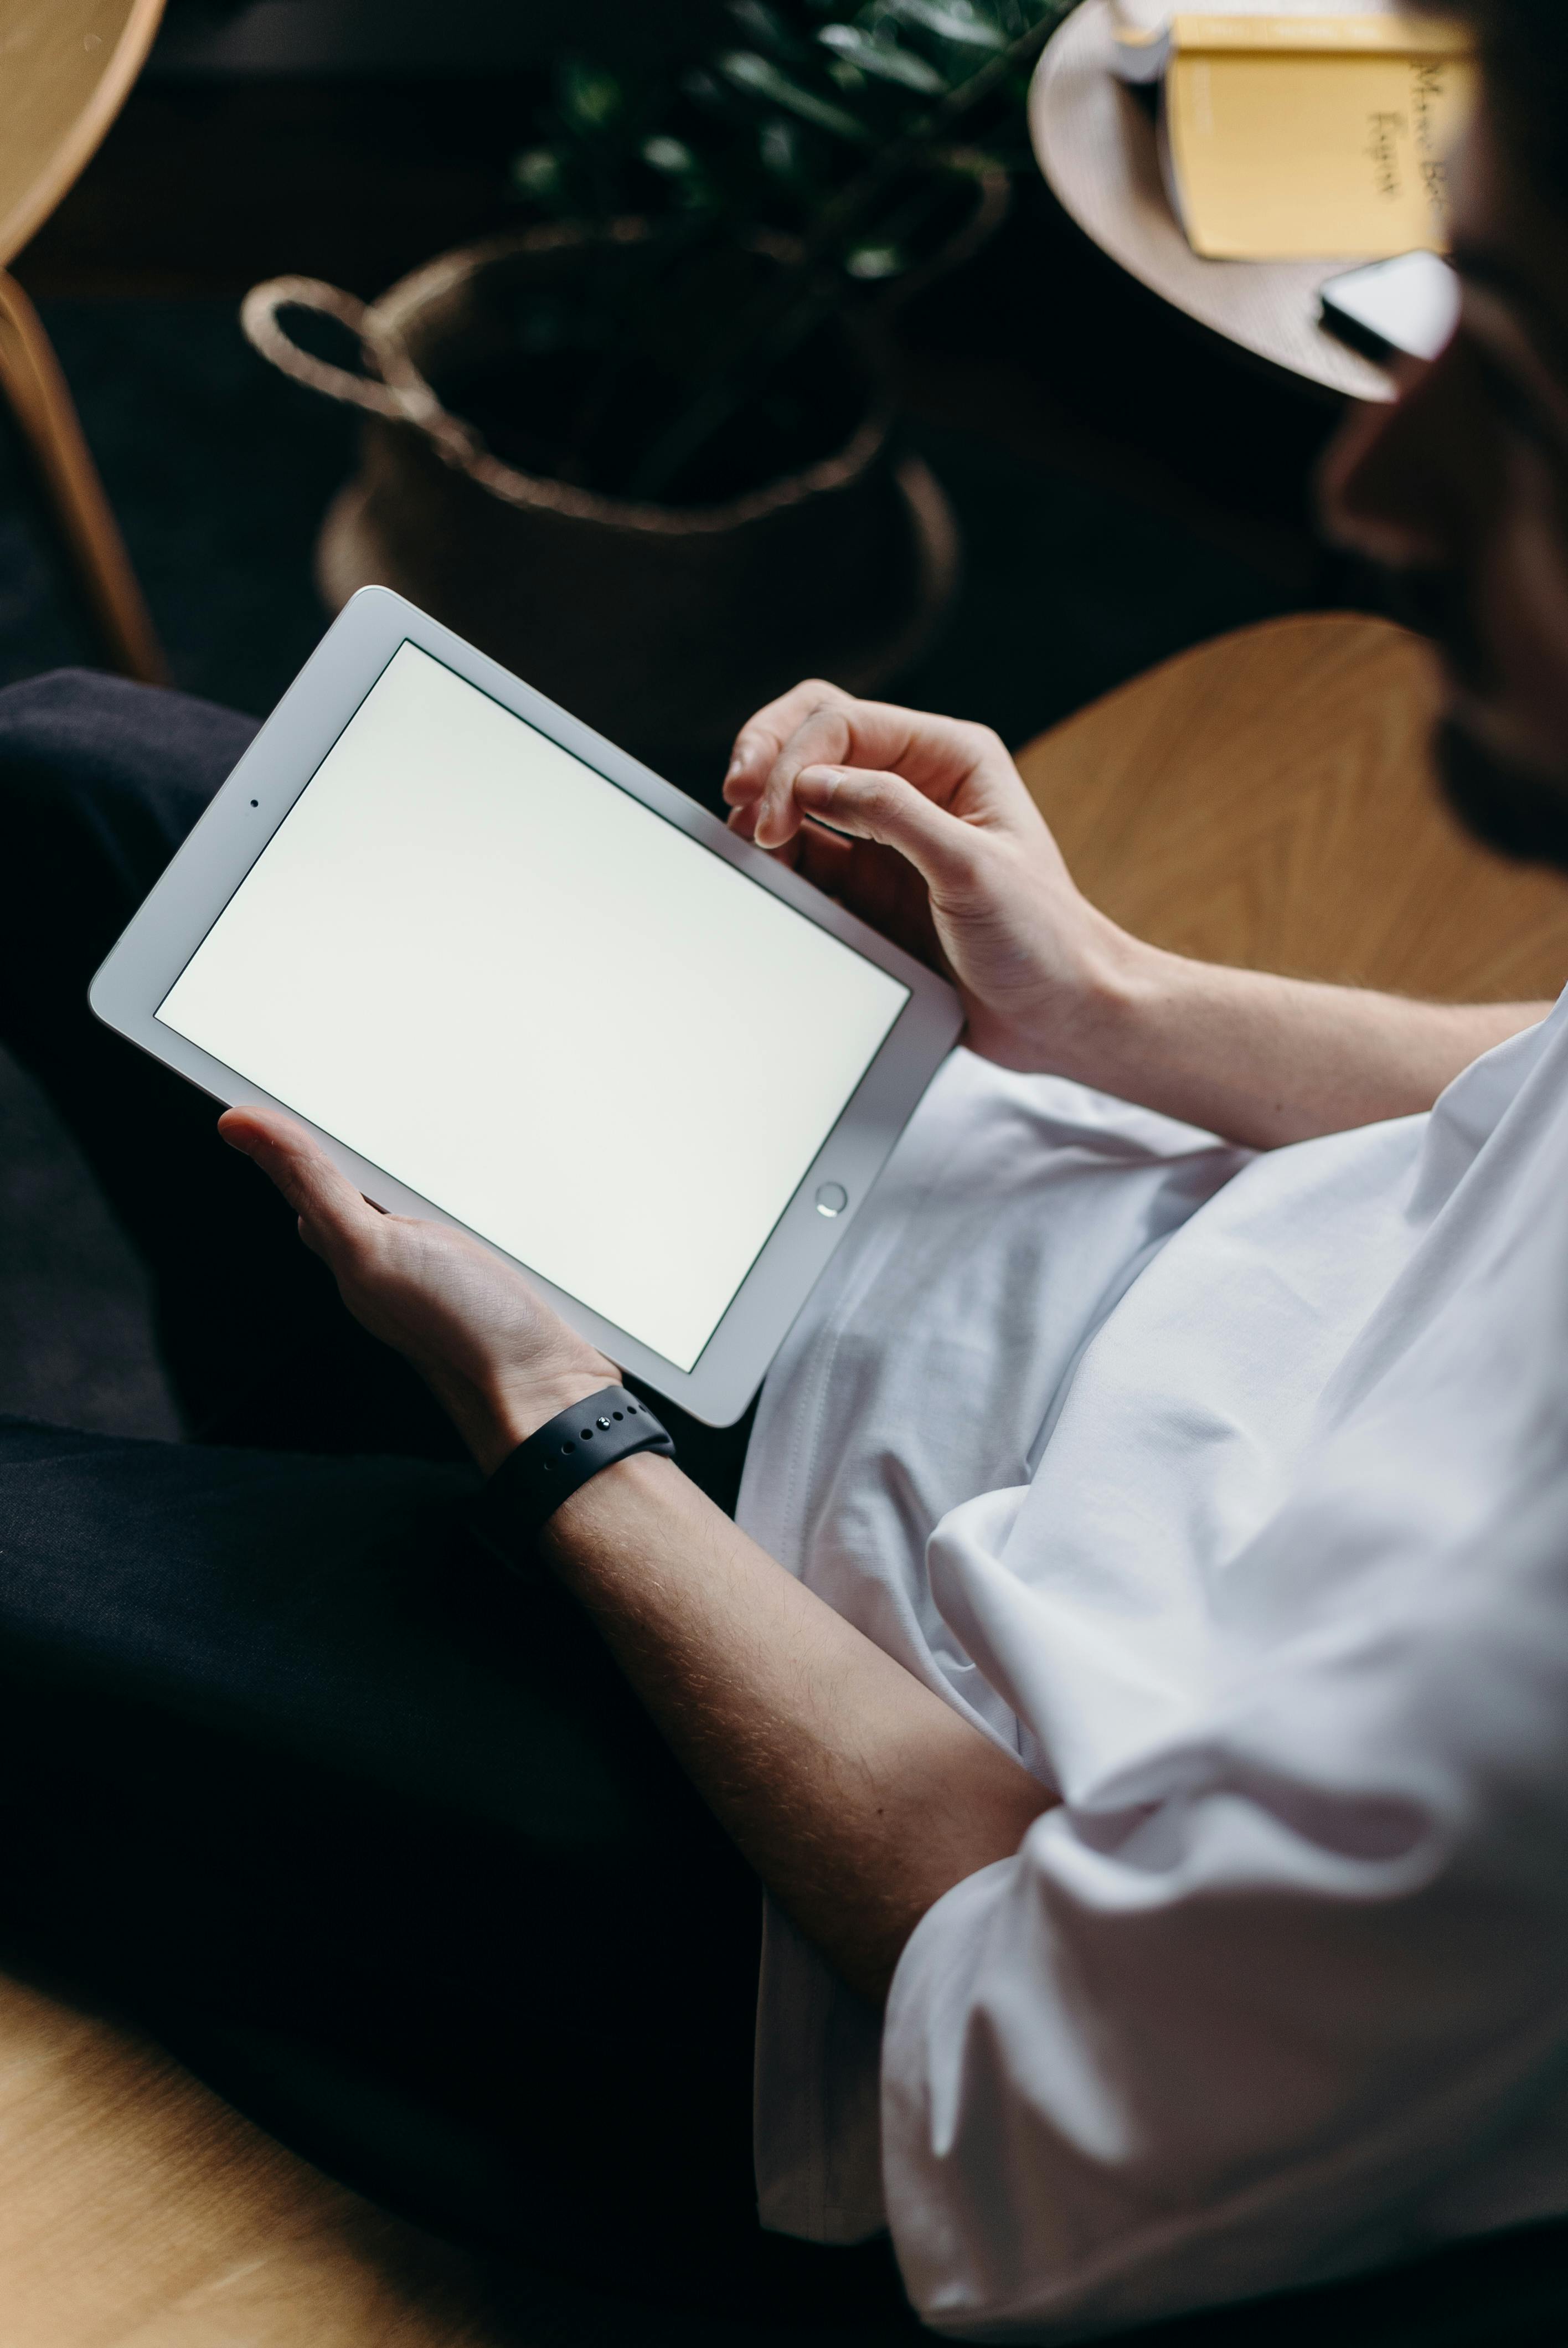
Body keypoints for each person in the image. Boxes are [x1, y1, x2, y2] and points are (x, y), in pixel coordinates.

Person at [4, 0, 1568, 2334]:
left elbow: (1022, 2074)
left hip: (822, 1913)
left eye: (1525, 410)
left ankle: (372, 1608)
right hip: (1050, 1272)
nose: (1368, 480)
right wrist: (1104, 1007)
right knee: (72, 778)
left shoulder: (1524, 1693)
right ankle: (329, 1516)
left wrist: (554, 1424)